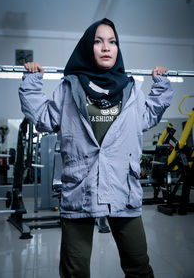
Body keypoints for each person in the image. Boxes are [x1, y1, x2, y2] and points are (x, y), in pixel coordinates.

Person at [19, 18, 173, 278]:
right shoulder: (70, 88)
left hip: (123, 191)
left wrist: (161, 86)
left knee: (139, 268)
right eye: (98, 41)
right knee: (75, 272)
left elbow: (148, 115)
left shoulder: (132, 90)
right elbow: (43, 117)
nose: (106, 47)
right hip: (80, 191)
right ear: (86, 48)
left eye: (112, 42)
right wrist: (32, 81)